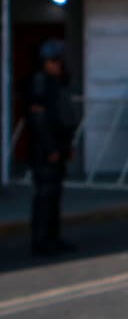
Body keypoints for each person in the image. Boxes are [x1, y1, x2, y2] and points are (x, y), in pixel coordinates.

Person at [27, 39, 76, 257]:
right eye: (54, 61)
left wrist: (66, 146)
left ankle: (52, 238)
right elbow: (38, 118)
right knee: (45, 196)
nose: (58, 65)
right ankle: (40, 240)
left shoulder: (57, 82)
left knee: (54, 195)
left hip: (58, 147)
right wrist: (50, 148)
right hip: (45, 151)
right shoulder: (40, 81)